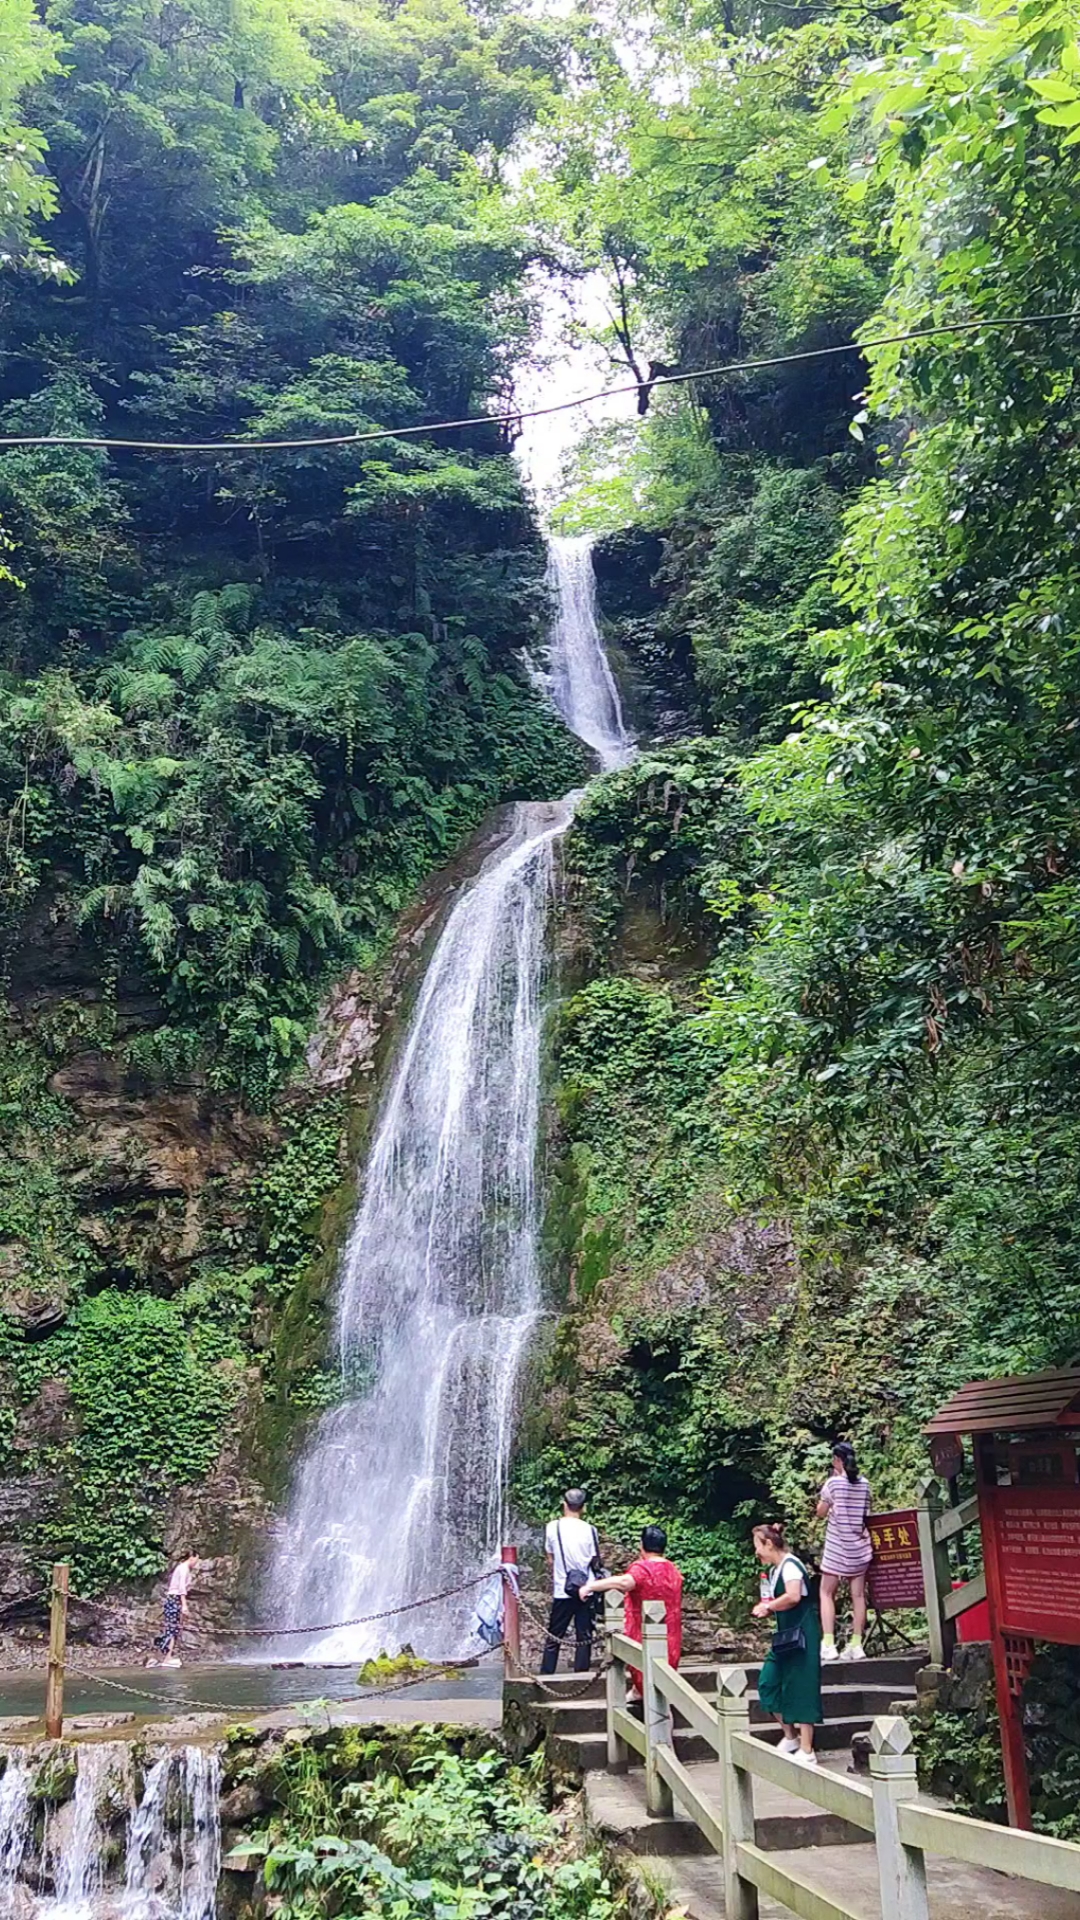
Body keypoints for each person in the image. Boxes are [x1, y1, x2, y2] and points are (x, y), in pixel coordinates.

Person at [581, 1524, 683, 1693]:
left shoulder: (644, 1568)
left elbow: (624, 1582)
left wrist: (590, 1586)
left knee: (651, 1681)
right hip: (670, 1632)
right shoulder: (672, 1569)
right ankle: (637, 1693)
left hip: (644, 1630)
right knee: (663, 1678)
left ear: (641, 1545)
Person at [752, 1521, 821, 1766]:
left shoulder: (791, 1566)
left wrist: (768, 1606)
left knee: (802, 1685)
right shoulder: (775, 1570)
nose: (756, 1553)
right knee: (768, 1683)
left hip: (802, 1634)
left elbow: (793, 1596)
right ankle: (790, 1735)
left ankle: (807, 1747)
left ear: (769, 1544)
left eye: (758, 1547)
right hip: (785, 1635)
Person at [816, 1441, 873, 1662]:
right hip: (859, 1548)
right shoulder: (865, 1484)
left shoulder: (833, 1484)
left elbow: (820, 1512)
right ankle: (856, 1645)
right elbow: (867, 1511)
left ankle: (829, 1643)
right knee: (858, 1596)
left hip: (837, 1547)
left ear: (837, 1460)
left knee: (826, 1592)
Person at [541, 1490, 600, 1673]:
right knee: (584, 1635)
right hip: (586, 1589)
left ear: (564, 1504)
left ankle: (546, 1675)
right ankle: (581, 1675)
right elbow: (595, 1560)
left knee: (554, 1635)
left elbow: (550, 1557)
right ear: (584, 1508)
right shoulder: (591, 1530)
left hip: (563, 1589)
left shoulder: (553, 1527)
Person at [150, 1550, 199, 1666]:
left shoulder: (182, 1568)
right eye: (197, 1559)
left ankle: (165, 1656)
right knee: (172, 1629)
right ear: (192, 1557)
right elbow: (181, 1588)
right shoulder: (183, 1569)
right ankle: (166, 1658)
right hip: (174, 1599)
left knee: (173, 1628)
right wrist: (184, 1605)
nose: (197, 1562)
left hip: (173, 1599)